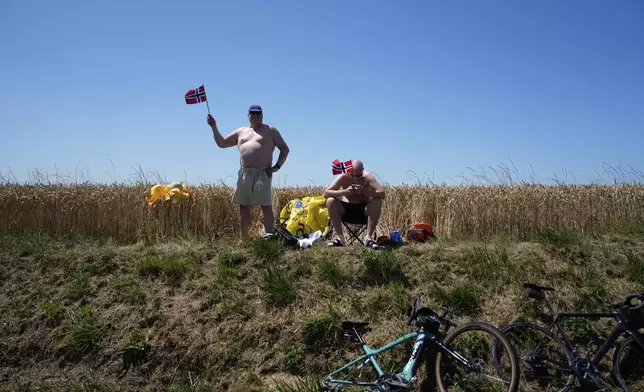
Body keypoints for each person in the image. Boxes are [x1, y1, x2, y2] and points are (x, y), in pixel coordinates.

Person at [207, 105, 290, 239]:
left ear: (262, 115)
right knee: (244, 206)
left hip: (263, 173)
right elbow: (222, 143)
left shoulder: (271, 130)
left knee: (265, 205)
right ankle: (244, 239)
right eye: (253, 113)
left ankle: (270, 237)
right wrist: (214, 127)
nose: (256, 115)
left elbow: (285, 149)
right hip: (245, 173)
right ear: (248, 115)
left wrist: (276, 167)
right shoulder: (241, 131)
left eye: (259, 113)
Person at [323, 159, 385, 249]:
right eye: (352, 175)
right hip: (346, 210)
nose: (356, 178)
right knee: (330, 200)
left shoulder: (368, 177)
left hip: (364, 210)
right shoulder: (343, 176)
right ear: (348, 171)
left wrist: (365, 191)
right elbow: (326, 193)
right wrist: (345, 192)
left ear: (362, 170)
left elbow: (382, 193)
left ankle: (368, 238)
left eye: (359, 175)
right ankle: (341, 239)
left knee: (377, 201)